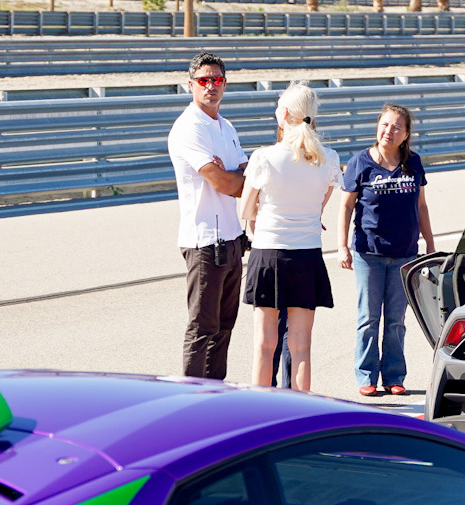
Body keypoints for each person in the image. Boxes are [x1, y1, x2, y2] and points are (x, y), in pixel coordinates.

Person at [242, 84, 339, 391]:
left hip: (269, 252)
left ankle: (260, 411)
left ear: (284, 114)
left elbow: (246, 209)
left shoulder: (264, 157)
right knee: (301, 346)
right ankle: (301, 413)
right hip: (307, 254)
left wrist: (262, 213)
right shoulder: (329, 158)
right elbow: (319, 206)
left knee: (264, 343)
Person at [339, 102, 437, 397]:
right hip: (369, 252)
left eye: (396, 127)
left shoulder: (414, 163)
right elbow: (346, 205)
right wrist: (341, 246)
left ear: (406, 134)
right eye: (384, 124)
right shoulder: (360, 162)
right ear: (377, 127)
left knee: (396, 320)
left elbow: (421, 205)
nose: (388, 131)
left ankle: (394, 375)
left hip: (405, 253)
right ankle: (366, 375)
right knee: (368, 317)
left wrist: (430, 246)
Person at [168, 52, 248, 379]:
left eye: (216, 80)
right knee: (202, 328)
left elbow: (245, 173)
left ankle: (216, 395)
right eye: (203, 80)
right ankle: (190, 399)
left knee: (225, 327)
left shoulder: (225, 126)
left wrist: (233, 174)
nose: (210, 86)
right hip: (204, 243)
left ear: (225, 84)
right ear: (191, 85)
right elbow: (225, 183)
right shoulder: (190, 127)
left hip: (232, 239)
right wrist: (233, 176)